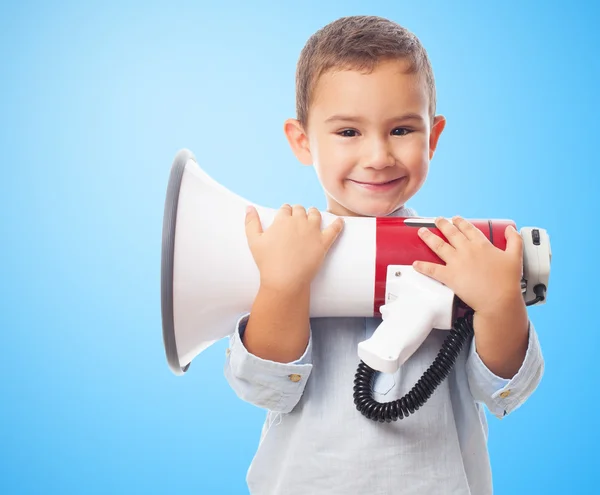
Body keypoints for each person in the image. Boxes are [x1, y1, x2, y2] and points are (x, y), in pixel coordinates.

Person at [224, 15, 544, 495]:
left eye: (401, 130)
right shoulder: (286, 251)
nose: (377, 157)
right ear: (302, 141)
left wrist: (500, 303)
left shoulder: (459, 253)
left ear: (432, 137)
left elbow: (502, 388)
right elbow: (265, 384)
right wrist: (283, 286)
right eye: (348, 132)